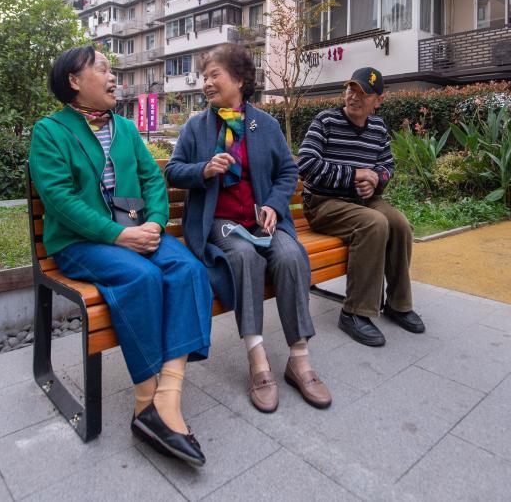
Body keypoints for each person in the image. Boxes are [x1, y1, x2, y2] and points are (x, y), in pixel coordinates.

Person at [29, 45, 211, 466]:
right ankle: (145, 400)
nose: (114, 78)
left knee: (187, 269)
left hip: (138, 230)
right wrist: (117, 235)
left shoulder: (125, 129)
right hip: (80, 243)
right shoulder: (50, 132)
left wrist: (156, 224)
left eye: (113, 71)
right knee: (142, 277)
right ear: (74, 80)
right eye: (103, 69)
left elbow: (152, 181)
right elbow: (59, 199)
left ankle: (166, 399)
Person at [166, 44, 331, 413]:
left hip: (261, 221)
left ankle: (299, 359)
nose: (207, 83)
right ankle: (258, 360)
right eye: (204, 77)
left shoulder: (265, 125)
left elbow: (288, 171)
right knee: (244, 257)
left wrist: (273, 205)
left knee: (290, 255)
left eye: (215, 75)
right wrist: (204, 169)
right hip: (220, 223)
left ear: (239, 80)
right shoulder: (196, 127)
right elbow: (173, 171)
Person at [297, 67, 425, 347]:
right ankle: (355, 312)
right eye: (351, 90)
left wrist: (376, 179)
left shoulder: (378, 128)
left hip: (363, 201)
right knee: (374, 223)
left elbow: (387, 166)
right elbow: (306, 164)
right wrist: (355, 175)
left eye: (363, 93)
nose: (354, 97)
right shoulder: (325, 121)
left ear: (378, 101)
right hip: (323, 203)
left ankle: (398, 304)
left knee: (400, 224)